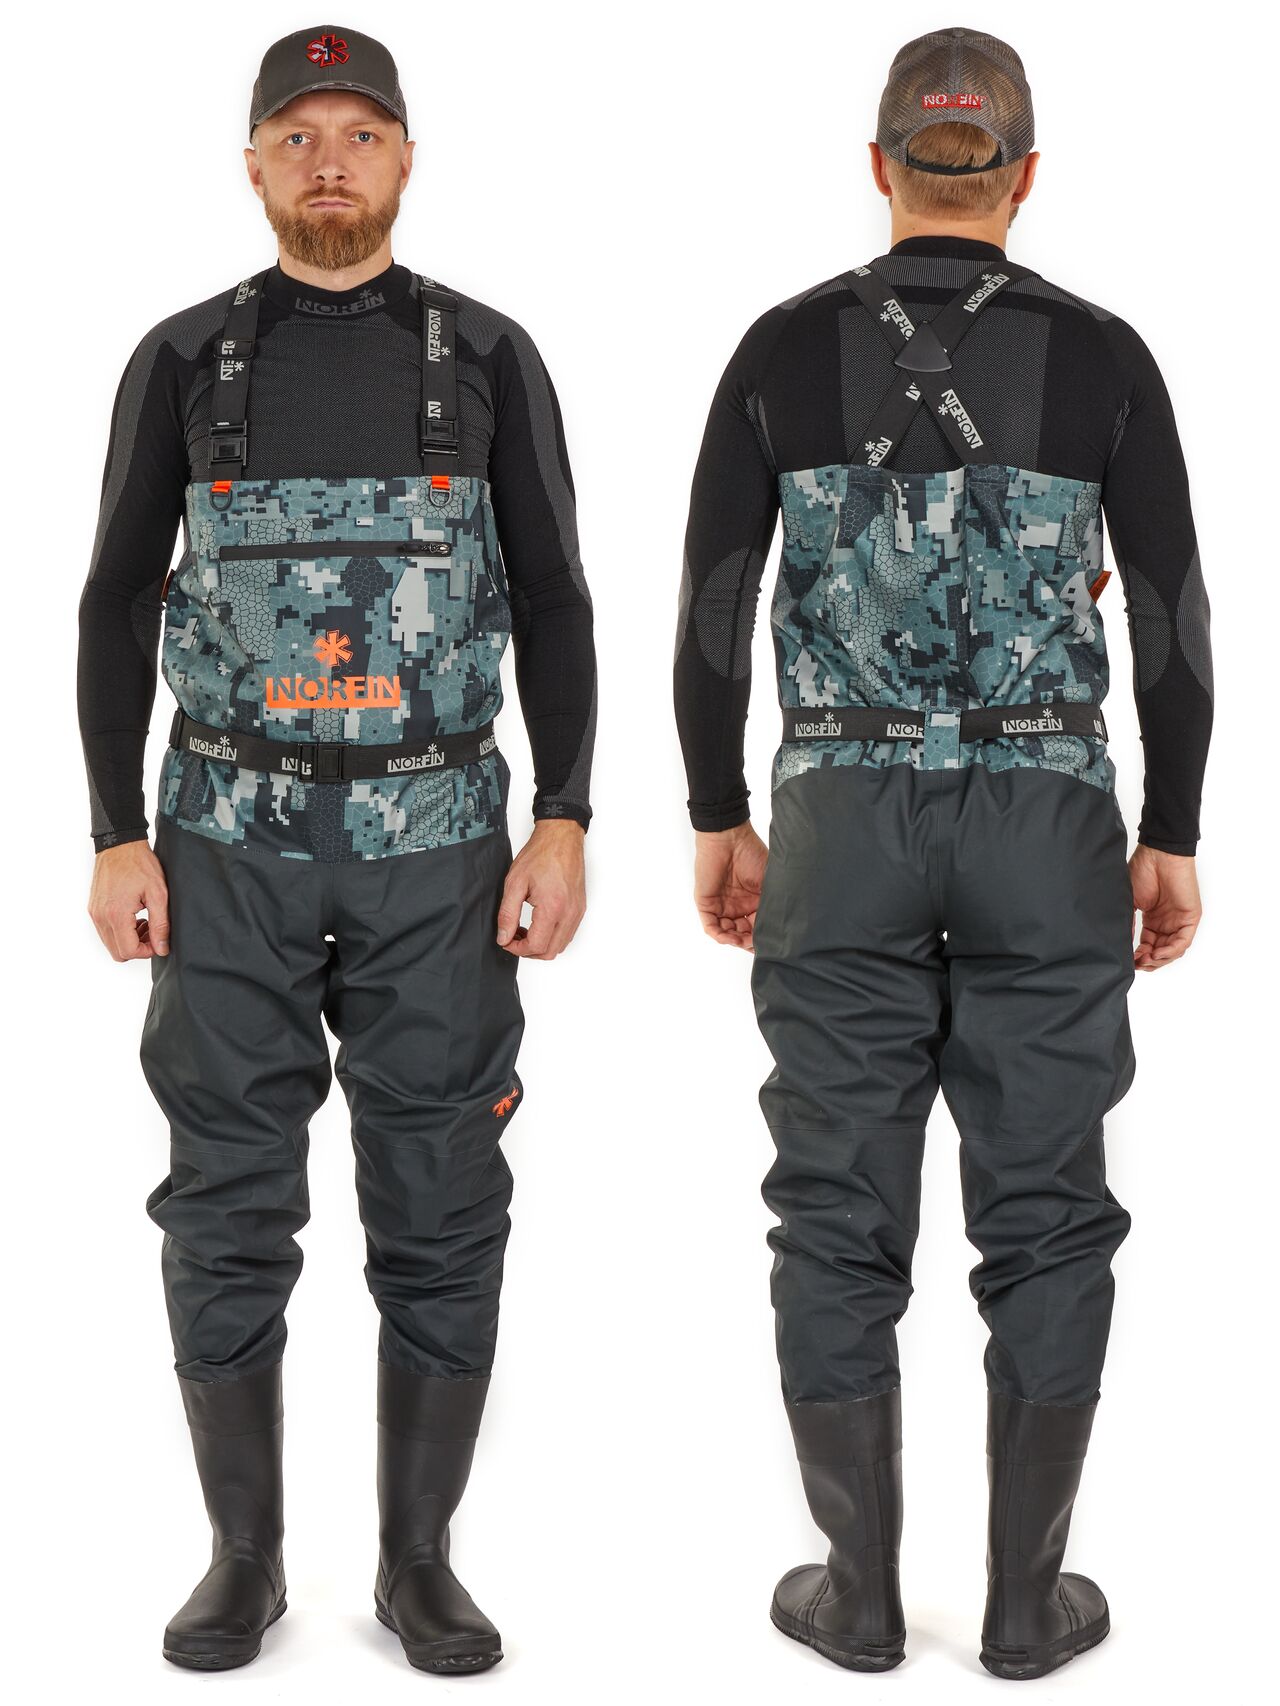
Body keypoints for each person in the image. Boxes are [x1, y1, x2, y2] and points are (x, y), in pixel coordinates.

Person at [675, 25, 1210, 1682]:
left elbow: (709, 612)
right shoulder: (1106, 357)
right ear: (1025, 177)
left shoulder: (780, 349)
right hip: (1048, 818)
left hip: (839, 818)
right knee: (1047, 1210)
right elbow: (1174, 624)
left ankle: (856, 1594)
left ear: (879, 166)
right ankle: (1023, 1603)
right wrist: (1172, 832)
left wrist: (717, 812)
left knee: (835, 1207)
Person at [78, 24, 595, 1674]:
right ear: (251, 163)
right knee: (224, 1195)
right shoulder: (180, 359)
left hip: (438, 847)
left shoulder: (491, 355)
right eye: (295, 133)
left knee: (441, 1189)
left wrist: (566, 814)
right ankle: (243, 1554)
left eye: (358, 132)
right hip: (221, 841)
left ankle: (418, 1559)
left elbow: (557, 596)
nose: (327, 160)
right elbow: (113, 598)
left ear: (405, 159)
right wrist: (113, 831)